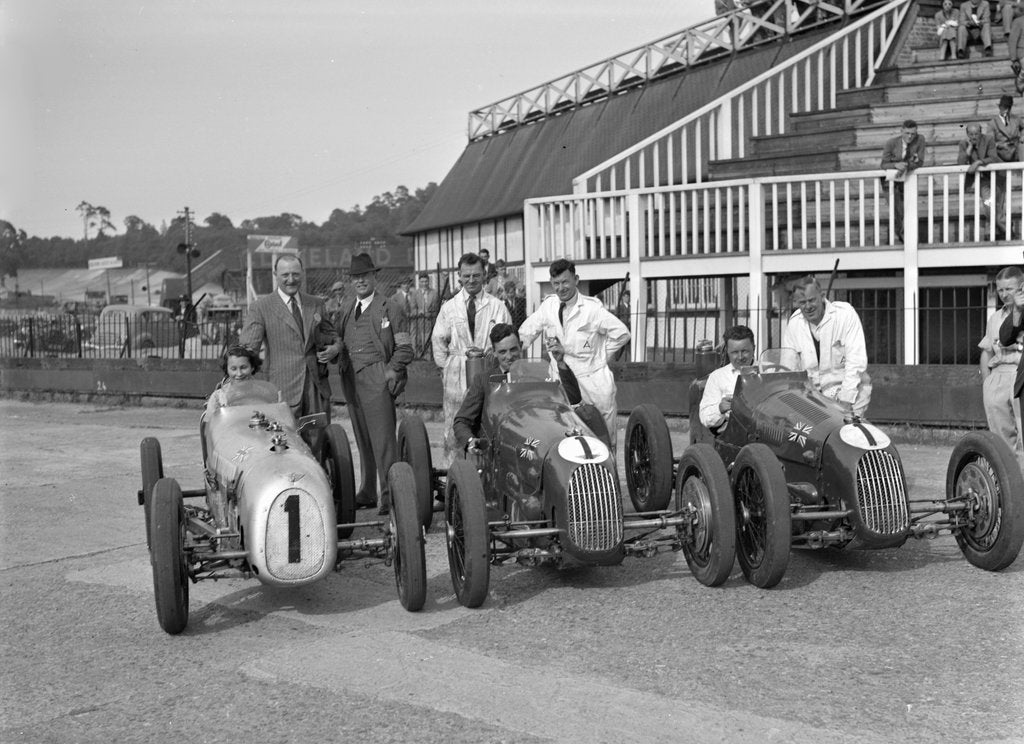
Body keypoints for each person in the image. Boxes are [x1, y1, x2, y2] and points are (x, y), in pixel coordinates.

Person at [518, 258, 631, 443]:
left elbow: (622, 334)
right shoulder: (549, 305)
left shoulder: (591, 309)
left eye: (565, 282)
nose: (560, 288)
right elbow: (527, 331)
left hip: (591, 382)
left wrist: (598, 358)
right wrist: (515, 347)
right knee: (564, 436)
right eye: (555, 283)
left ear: (576, 280)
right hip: (561, 382)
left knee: (602, 438)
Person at [334, 253, 413, 514]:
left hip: (377, 375)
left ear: (374, 277)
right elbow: (337, 339)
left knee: (383, 441)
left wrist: (390, 372)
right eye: (356, 277)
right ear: (351, 281)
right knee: (363, 438)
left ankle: (390, 496)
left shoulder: (390, 307)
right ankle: (368, 491)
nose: (360, 281)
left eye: (364, 276)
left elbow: (405, 348)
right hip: (351, 380)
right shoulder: (346, 307)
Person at [432, 252, 511, 466]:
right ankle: (454, 477)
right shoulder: (449, 307)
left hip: (489, 369)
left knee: (489, 423)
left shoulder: (497, 306)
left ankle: (487, 476)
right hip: (457, 370)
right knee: (455, 424)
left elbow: (507, 339)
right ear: (459, 276)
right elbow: (438, 341)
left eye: (476, 275)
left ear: (484, 275)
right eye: (466, 276)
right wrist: (446, 368)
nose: (471, 280)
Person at [239, 253, 340, 421]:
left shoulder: (316, 303)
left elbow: (332, 335)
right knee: (284, 444)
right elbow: (247, 350)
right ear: (275, 275)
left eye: (295, 274)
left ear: (302, 274)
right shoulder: (261, 307)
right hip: (281, 391)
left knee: (318, 442)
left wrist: (335, 348)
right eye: (285, 275)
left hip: (316, 390)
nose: (291, 280)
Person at [452, 324, 583, 452]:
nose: (509, 357)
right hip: (501, 446)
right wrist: (470, 441)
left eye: (513, 349)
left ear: (521, 347)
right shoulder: (483, 380)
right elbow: (462, 421)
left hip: (534, 439)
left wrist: (560, 362)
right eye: (502, 352)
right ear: (494, 352)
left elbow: (572, 398)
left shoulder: (537, 375)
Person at [782, 275, 872, 416]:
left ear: (822, 296)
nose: (808, 306)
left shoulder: (845, 315)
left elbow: (856, 362)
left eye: (812, 300)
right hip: (812, 398)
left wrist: (846, 400)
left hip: (851, 392)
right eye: (802, 302)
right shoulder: (794, 324)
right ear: (796, 303)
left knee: (847, 433)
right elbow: (789, 369)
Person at [980, 267, 1024, 453]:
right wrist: (986, 383)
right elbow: (987, 352)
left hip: (1019, 374)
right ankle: (1008, 480)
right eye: (1000, 290)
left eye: (1009, 289)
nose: (1004, 294)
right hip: (998, 376)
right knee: (1000, 440)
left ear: (1021, 288)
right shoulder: (995, 318)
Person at [699, 325, 756, 432]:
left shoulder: (770, 370)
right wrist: (720, 408)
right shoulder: (717, 377)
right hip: (734, 433)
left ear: (754, 348)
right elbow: (704, 417)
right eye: (735, 352)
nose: (740, 357)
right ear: (727, 352)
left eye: (745, 351)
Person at [880, 119, 927, 242]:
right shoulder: (891, 143)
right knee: (897, 210)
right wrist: (895, 165)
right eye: (907, 133)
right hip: (890, 181)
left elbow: (920, 162)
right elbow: (883, 164)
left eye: (913, 133)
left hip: (906, 179)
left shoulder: (920, 139)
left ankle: (905, 238)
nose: (910, 136)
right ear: (901, 131)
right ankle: (900, 237)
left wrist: (906, 165)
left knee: (908, 209)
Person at [958, 122, 1008, 236]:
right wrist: (968, 150)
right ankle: (1005, 229)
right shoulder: (963, 143)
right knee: (988, 204)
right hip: (983, 179)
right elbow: (960, 163)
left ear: (980, 133)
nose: (974, 137)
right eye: (971, 134)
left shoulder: (988, 139)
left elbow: (993, 157)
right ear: (967, 134)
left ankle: (993, 232)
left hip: (998, 176)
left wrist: (978, 162)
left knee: (998, 205)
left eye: (976, 134)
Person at [205, 345, 280, 415]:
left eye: (243, 367)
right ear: (227, 370)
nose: (239, 374)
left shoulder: (265, 392)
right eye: (233, 369)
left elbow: (277, 418)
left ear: (252, 367)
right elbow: (210, 425)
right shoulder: (218, 397)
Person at [989, 95, 1023, 163]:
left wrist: (1022, 136)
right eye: (1004, 108)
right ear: (999, 107)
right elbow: (990, 143)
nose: (1006, 111)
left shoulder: (1016, 119)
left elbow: (1023, 128)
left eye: (1008, 108)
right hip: (1001, 152)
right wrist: (1000, 145)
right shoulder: (992, 123)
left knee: (1022, 147)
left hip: (1015, 150)